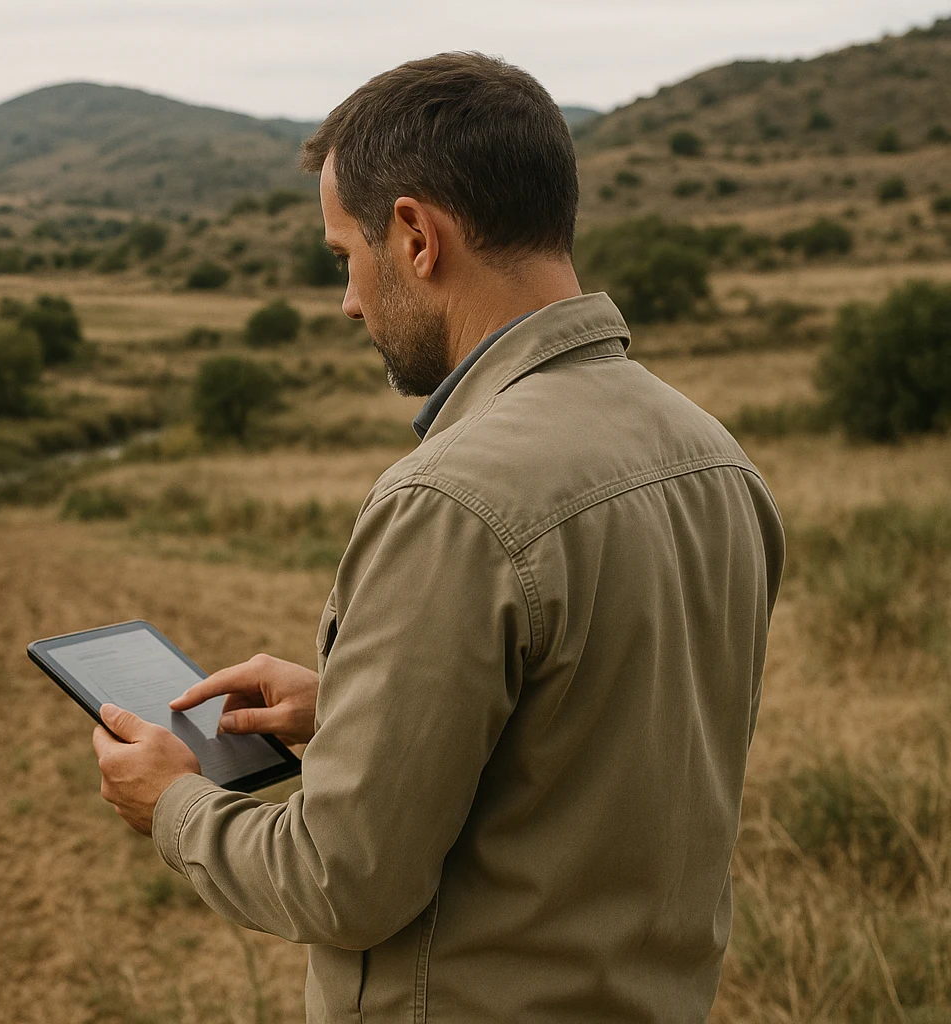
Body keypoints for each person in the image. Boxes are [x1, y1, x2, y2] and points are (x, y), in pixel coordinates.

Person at [90, 51, 785, 1023]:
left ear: (416, 235)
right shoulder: (716, 458)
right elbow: (594, 746)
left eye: (345, 256)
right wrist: (351, 712)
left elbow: (342, 881)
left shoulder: (454, 498)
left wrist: (171, 803)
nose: (347, 300)